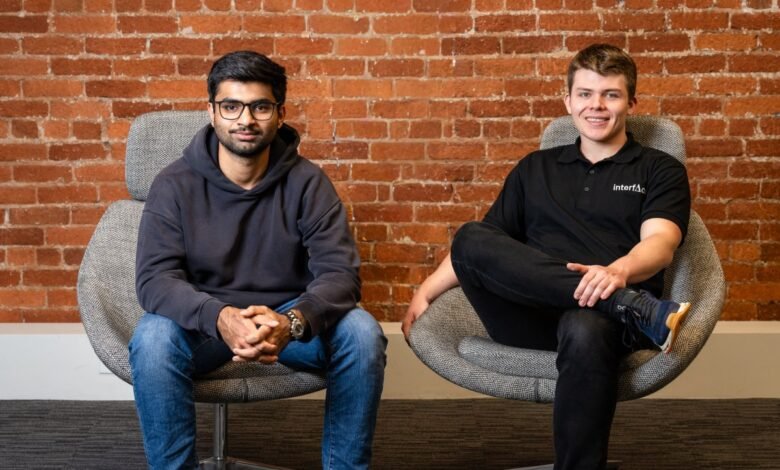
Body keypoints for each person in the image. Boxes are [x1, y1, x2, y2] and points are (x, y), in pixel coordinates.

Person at [402, 44, 691, 470]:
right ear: (568, 101)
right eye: (585, 94)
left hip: (603, 326)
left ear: (631, 102)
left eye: (610, 94)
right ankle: (630, 306)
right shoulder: (534, 168)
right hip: (530, 315)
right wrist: (425, 291)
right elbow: (483, 247)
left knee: (585, 324)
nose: (596, 105)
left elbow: (661, 243)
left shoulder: (659, 169)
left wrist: (617, 273)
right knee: (470, 236)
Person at [129, 50, 386, 470]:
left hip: (286, 324)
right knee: (153, 339)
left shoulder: (308, 182)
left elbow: (340, 274)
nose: (245, 120)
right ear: (211, 112)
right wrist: (220, 317)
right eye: (231, 106)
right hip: (204, 327)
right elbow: (155, 279)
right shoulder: (174, 184)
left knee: (361, 333)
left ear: (280, 114)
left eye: (260, 107)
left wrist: (293, 321)